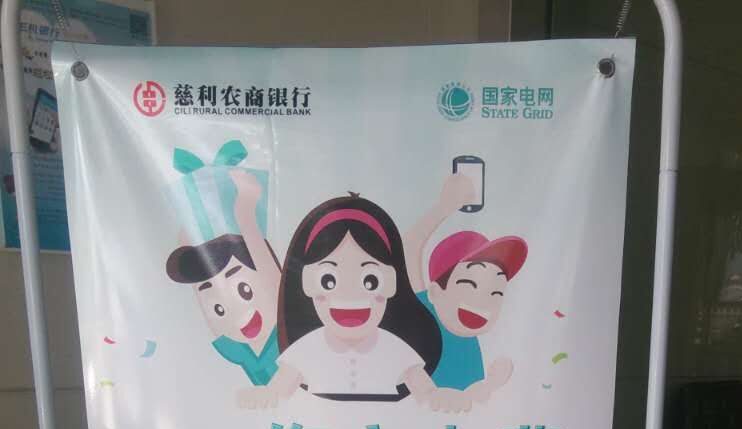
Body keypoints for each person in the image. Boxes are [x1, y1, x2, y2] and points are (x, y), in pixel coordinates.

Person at [253, 195, 442, 407]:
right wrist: (264, 397)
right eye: (328, 280)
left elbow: (428, 394)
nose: (349, 295)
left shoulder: (395, 348)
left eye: (371, 281)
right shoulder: (306, 349)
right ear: (306, 283)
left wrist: (441, 399)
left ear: (392, 283)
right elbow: (277, 392)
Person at [404, 170, 528, 410]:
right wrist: (444, 207)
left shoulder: (473, 346)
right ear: (435, 292)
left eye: (495, 293)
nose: (481, 301)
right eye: (468, 286)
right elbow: (410, 247)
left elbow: (476, 396)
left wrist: (490, 384)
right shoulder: (425, 309)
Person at [165, 170, 281, 403]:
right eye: (219, 309)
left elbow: (272, 279)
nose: (239, 316)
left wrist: (246, 219)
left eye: (245, 291)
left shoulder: (290, 334)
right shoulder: (234, 349)